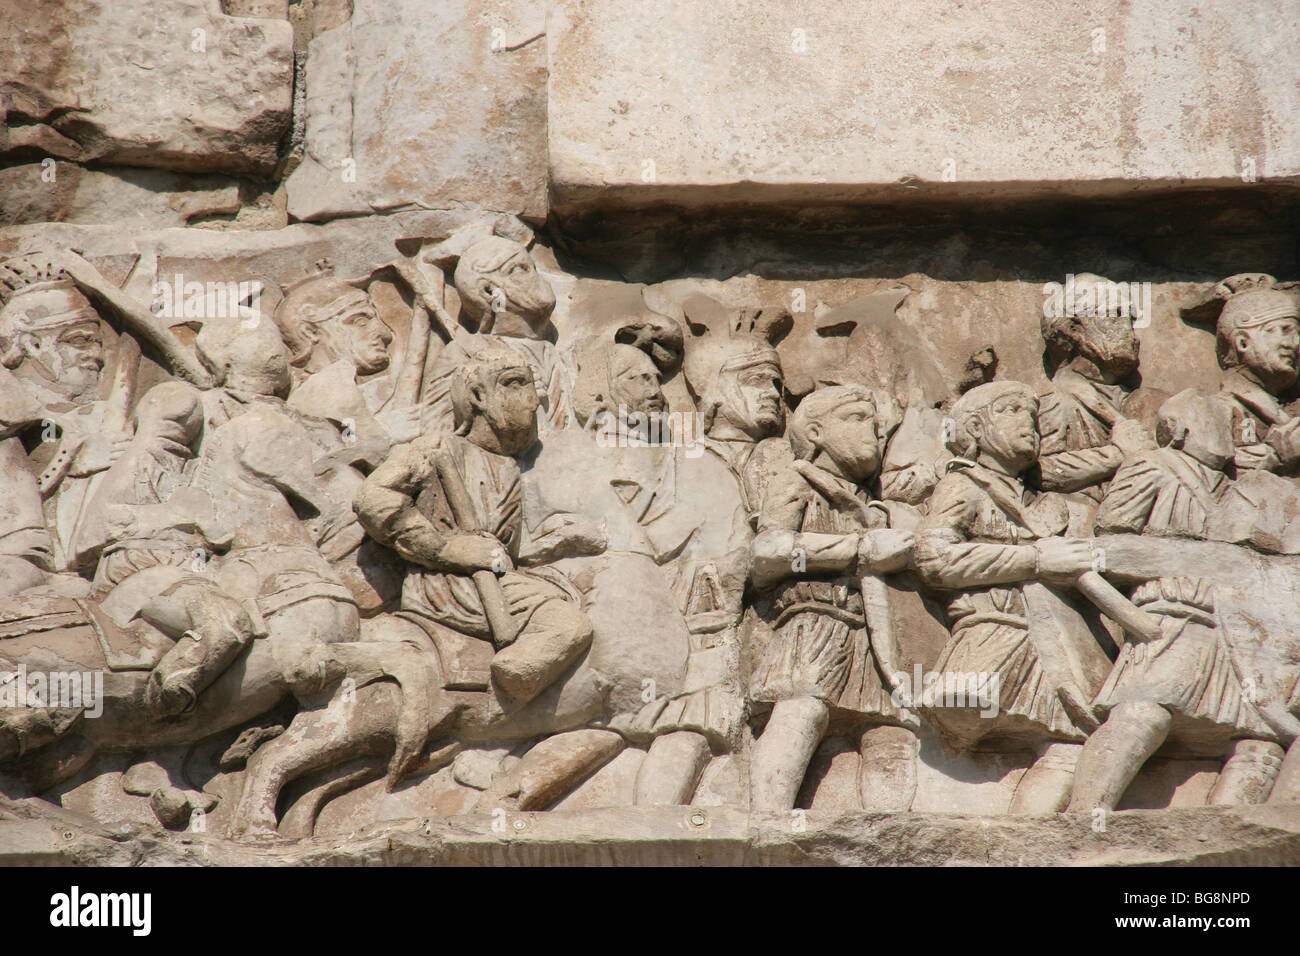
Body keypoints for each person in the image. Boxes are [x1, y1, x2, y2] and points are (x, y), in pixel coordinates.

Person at [748, 385, 918, 811]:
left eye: (878, 426)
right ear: (818, 432)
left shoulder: (874, 505)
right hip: (815, 619)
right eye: (858, 419)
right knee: (802, 710)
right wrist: (854, 550)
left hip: (871, 630)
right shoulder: (798, 479)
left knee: (890, 733)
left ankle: (893, 834)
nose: (874, 433)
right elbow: (768, 553)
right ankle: (766, 818)